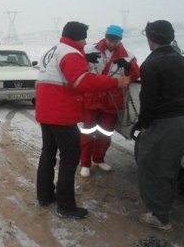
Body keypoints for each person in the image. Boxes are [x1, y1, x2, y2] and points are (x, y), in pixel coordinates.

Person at [35, 21, 131, 219]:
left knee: (48, 154)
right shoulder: (70, 53)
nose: (85, 42)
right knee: (70, 159)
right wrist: (116, 81)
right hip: (62, 114)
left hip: (46, 112)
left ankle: (44, 196)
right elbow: (82, 81)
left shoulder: (53, 50)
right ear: (78, 37)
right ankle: (66, 206)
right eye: (84, 38)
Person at [135, 20, 184, 231]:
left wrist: (144, 124)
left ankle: (160, 217)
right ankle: (165, 208)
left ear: (151, 38)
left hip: (163, 124)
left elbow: (148, 99)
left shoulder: (151, 64)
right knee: (170, 167)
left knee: (151, 168)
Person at [79, 25, 140, 178]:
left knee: (105, 134)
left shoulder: (128, 56)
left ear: (120, 40)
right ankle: (85, 163)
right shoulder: (89, 49)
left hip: (112, 101)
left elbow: (135, 74)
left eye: (115, 40)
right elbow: (75, 66)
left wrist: (128, 67)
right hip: (92, 98)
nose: (112, 43)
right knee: (88, 133)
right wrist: (84, 59)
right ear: (106, 37)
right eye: (110, 39)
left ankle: (98, 159)